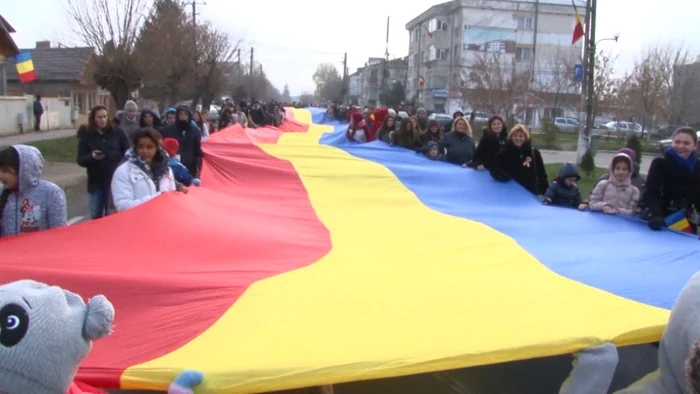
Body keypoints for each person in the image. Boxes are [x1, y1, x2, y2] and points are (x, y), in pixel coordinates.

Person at [638, 127, 700, 231]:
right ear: (672, 142)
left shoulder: (698, 166)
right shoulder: (660, 163)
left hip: (686, 222)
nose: (681, 146)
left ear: (695, 146)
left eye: (686, 143)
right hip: (661, 218)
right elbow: (651, 192)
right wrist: (655, 214)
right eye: (677, 142)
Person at [76, 105, 130, 219]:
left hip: (115, 180)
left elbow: (128, 153)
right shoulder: (87, 136)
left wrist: (120, 162)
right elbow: (80, 160)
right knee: (96, 215)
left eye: (105, 116)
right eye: (99, 117)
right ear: (94, 119)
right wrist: (92, 157)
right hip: (96, 182)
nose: (103, 120)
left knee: (112, 216)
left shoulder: (118, 133)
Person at [0, 145, 67, 236]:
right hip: (8, 250)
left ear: (23, 171)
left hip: (40, 249)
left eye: (5, 171)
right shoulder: (1, 192)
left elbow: (59, 232)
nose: (1, 176)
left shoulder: (50, 193)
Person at [111, 128, 177, 212]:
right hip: (136, 222)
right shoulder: (123, 172)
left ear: (157, 148)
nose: (145, 151)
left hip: (162, 221)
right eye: (141, 147)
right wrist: (157, 198)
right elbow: (122, 206)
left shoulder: (166, 170)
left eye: (149, 147)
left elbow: (172, 197)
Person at [490, 124, 549, 196]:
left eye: (521, 136)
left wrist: (546, 192)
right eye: (515, 136)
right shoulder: (504, 153)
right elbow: (494, 169)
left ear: (525, 137)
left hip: (530, 192)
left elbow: (541, 173)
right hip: (509, 191)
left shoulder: (534, 152)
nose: (518, 138)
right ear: (511, 137)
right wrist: (503, 176)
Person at [160, 106, 205, 178]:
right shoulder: (168, 130)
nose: (183, 116)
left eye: (185, 114)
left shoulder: (195, 130)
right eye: (180, 114)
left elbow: (197, 149)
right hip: (173, 166)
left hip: (190, 166)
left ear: (189, 116)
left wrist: (202, 158)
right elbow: (163, 147)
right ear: (177, 115)